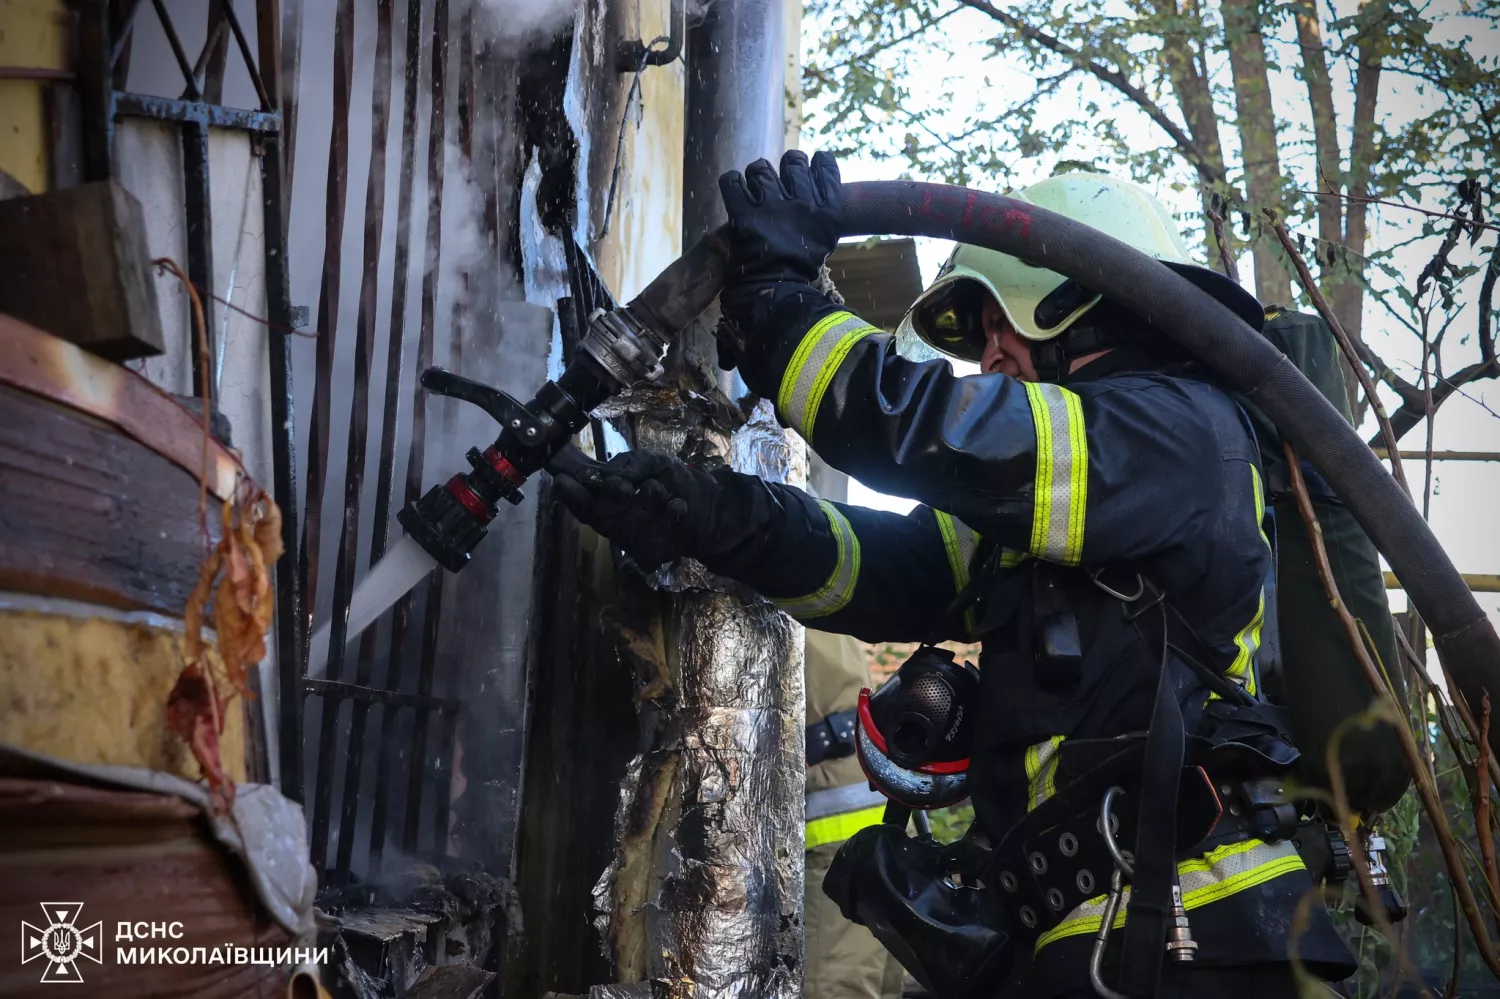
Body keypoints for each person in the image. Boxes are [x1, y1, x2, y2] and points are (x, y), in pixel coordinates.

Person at [546, 153, 1356, 997]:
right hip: (1105, 935)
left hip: (1198, 947)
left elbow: (925, 430)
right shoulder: (1073, 503)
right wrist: (704, 515)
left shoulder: (1178, 434)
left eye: (998, 324)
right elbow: (883, 568)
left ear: (1080, 302)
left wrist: (789, 306)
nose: (989, 358)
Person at [802, 628, 906, 999]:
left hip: (834, 826)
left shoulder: (764, 581)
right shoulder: (812, 594)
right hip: (868, 810)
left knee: (834, 984)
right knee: (871, 980)